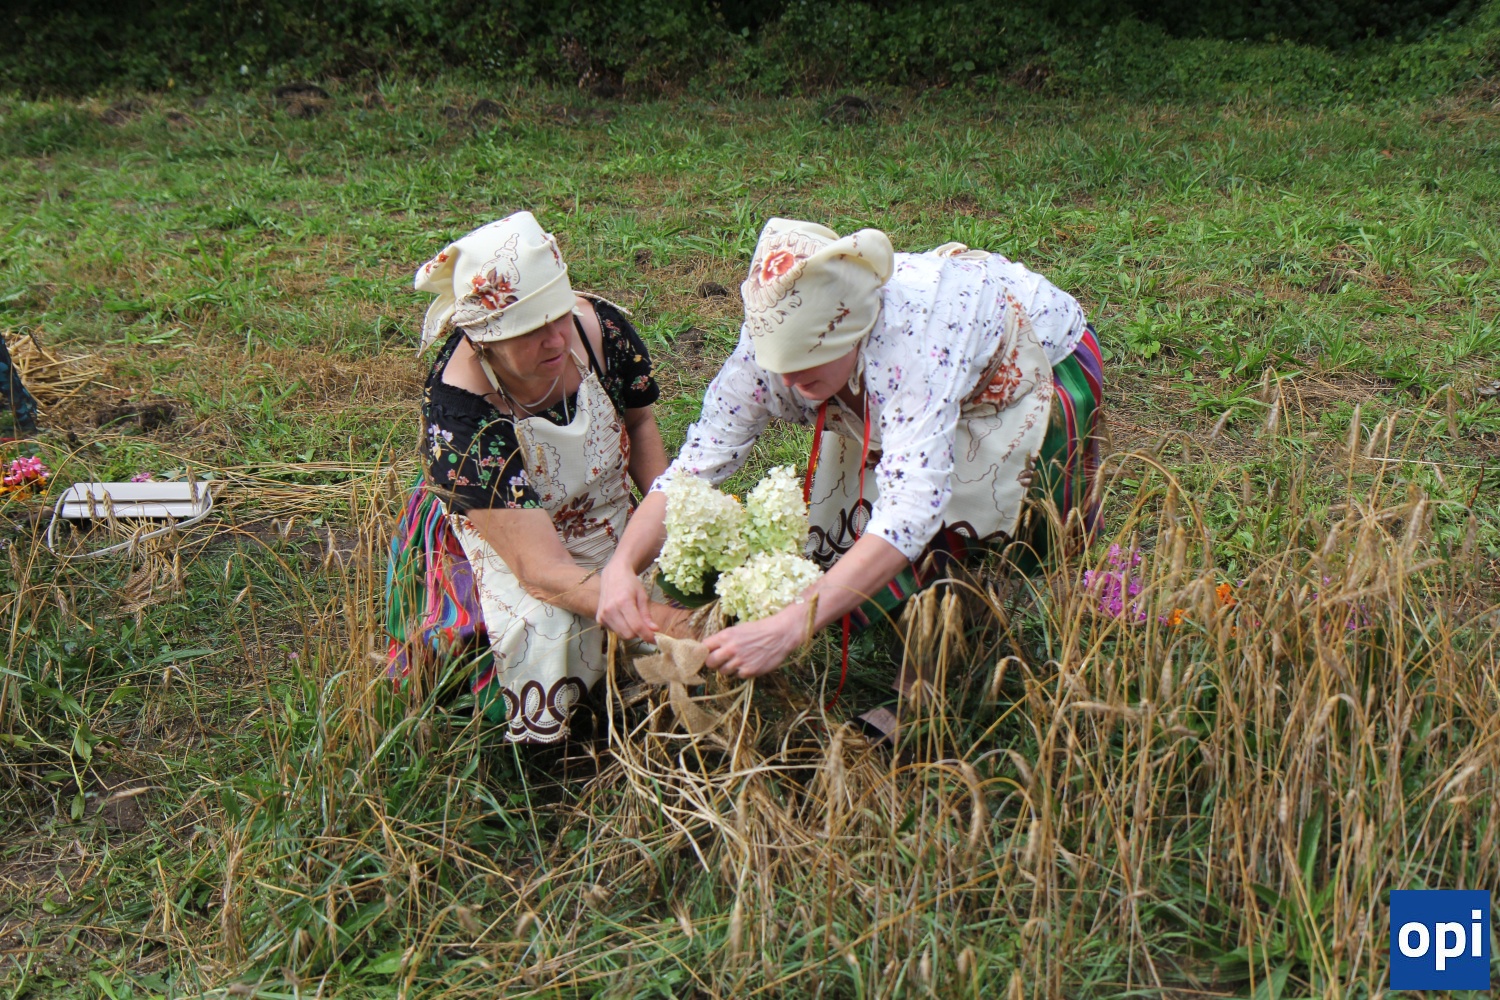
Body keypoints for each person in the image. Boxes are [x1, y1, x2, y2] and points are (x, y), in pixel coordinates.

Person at [596, 218, 1105, 692]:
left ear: (855, 332)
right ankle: (941, 627)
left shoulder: (911, 349)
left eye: (808, 361)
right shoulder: (770, 347)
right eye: (780, 364)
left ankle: (928, 692)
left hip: (1025, 361)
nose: (788, 380)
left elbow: (911, 509)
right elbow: (694, 469)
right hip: (901, 377)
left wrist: (793, 623)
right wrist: (622, 565)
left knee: (958, 525)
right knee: (891, 524)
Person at [386, 211, 692, 743]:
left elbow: (640, 423)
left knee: (695, 576)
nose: (554, 340)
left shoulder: (599, 331)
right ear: (482, 340)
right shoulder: (459, 416)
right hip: (506, 540)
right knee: (548, 630)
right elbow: (539, 570)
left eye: (557, 316)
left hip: (604, 510)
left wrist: (671, 515)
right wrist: (660, 621)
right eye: (529, 331)